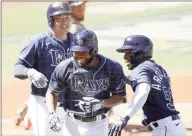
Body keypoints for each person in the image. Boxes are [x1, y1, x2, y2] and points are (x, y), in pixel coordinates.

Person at [14, 1, 87, 127]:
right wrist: (30, 72)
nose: (65, 22)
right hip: (42, 103)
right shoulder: (39, 42)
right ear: (51, 21)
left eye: (67, 18)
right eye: (59, 19)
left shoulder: (77, 42)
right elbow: (18, 68)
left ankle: (27, 111)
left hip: (69, 102)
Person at [45, 29, 127, 136]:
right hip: (71, 123)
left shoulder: (112, 67)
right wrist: (52, 113)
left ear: (93, 50)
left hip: (99, 124)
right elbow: (51, 93)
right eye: (76, 52)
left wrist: (100, 104)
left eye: (83, 52)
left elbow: (119, 97)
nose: (79, 56)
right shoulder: (64, 67)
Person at [108, 35, 187, 136]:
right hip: (174, 127)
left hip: (165, 130)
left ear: (139, 53)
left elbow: (143, 91)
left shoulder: (140, 69)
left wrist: (124, 118)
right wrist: (123, 78)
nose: (124, 57)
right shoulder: (157, 68)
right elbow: (149, 86)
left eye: (128, 53)